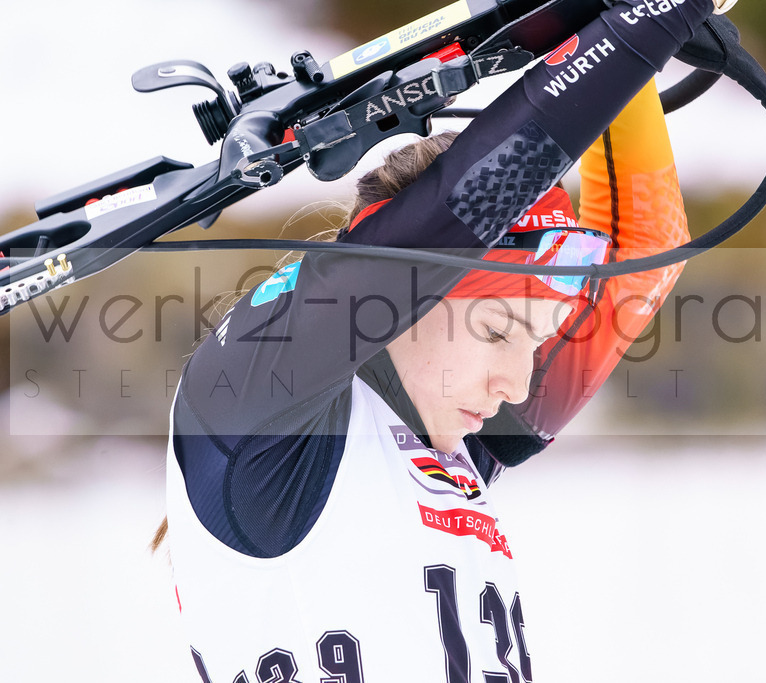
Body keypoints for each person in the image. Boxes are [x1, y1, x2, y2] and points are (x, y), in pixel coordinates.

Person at [162, 0, 728, 679]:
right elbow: (462, 206)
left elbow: (644, 255)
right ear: (415, 293)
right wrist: (651, 16)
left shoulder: (459, 439)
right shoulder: (264, 419)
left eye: (533, 341)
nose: (518, 383)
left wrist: (610, 29)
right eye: (497, 330)